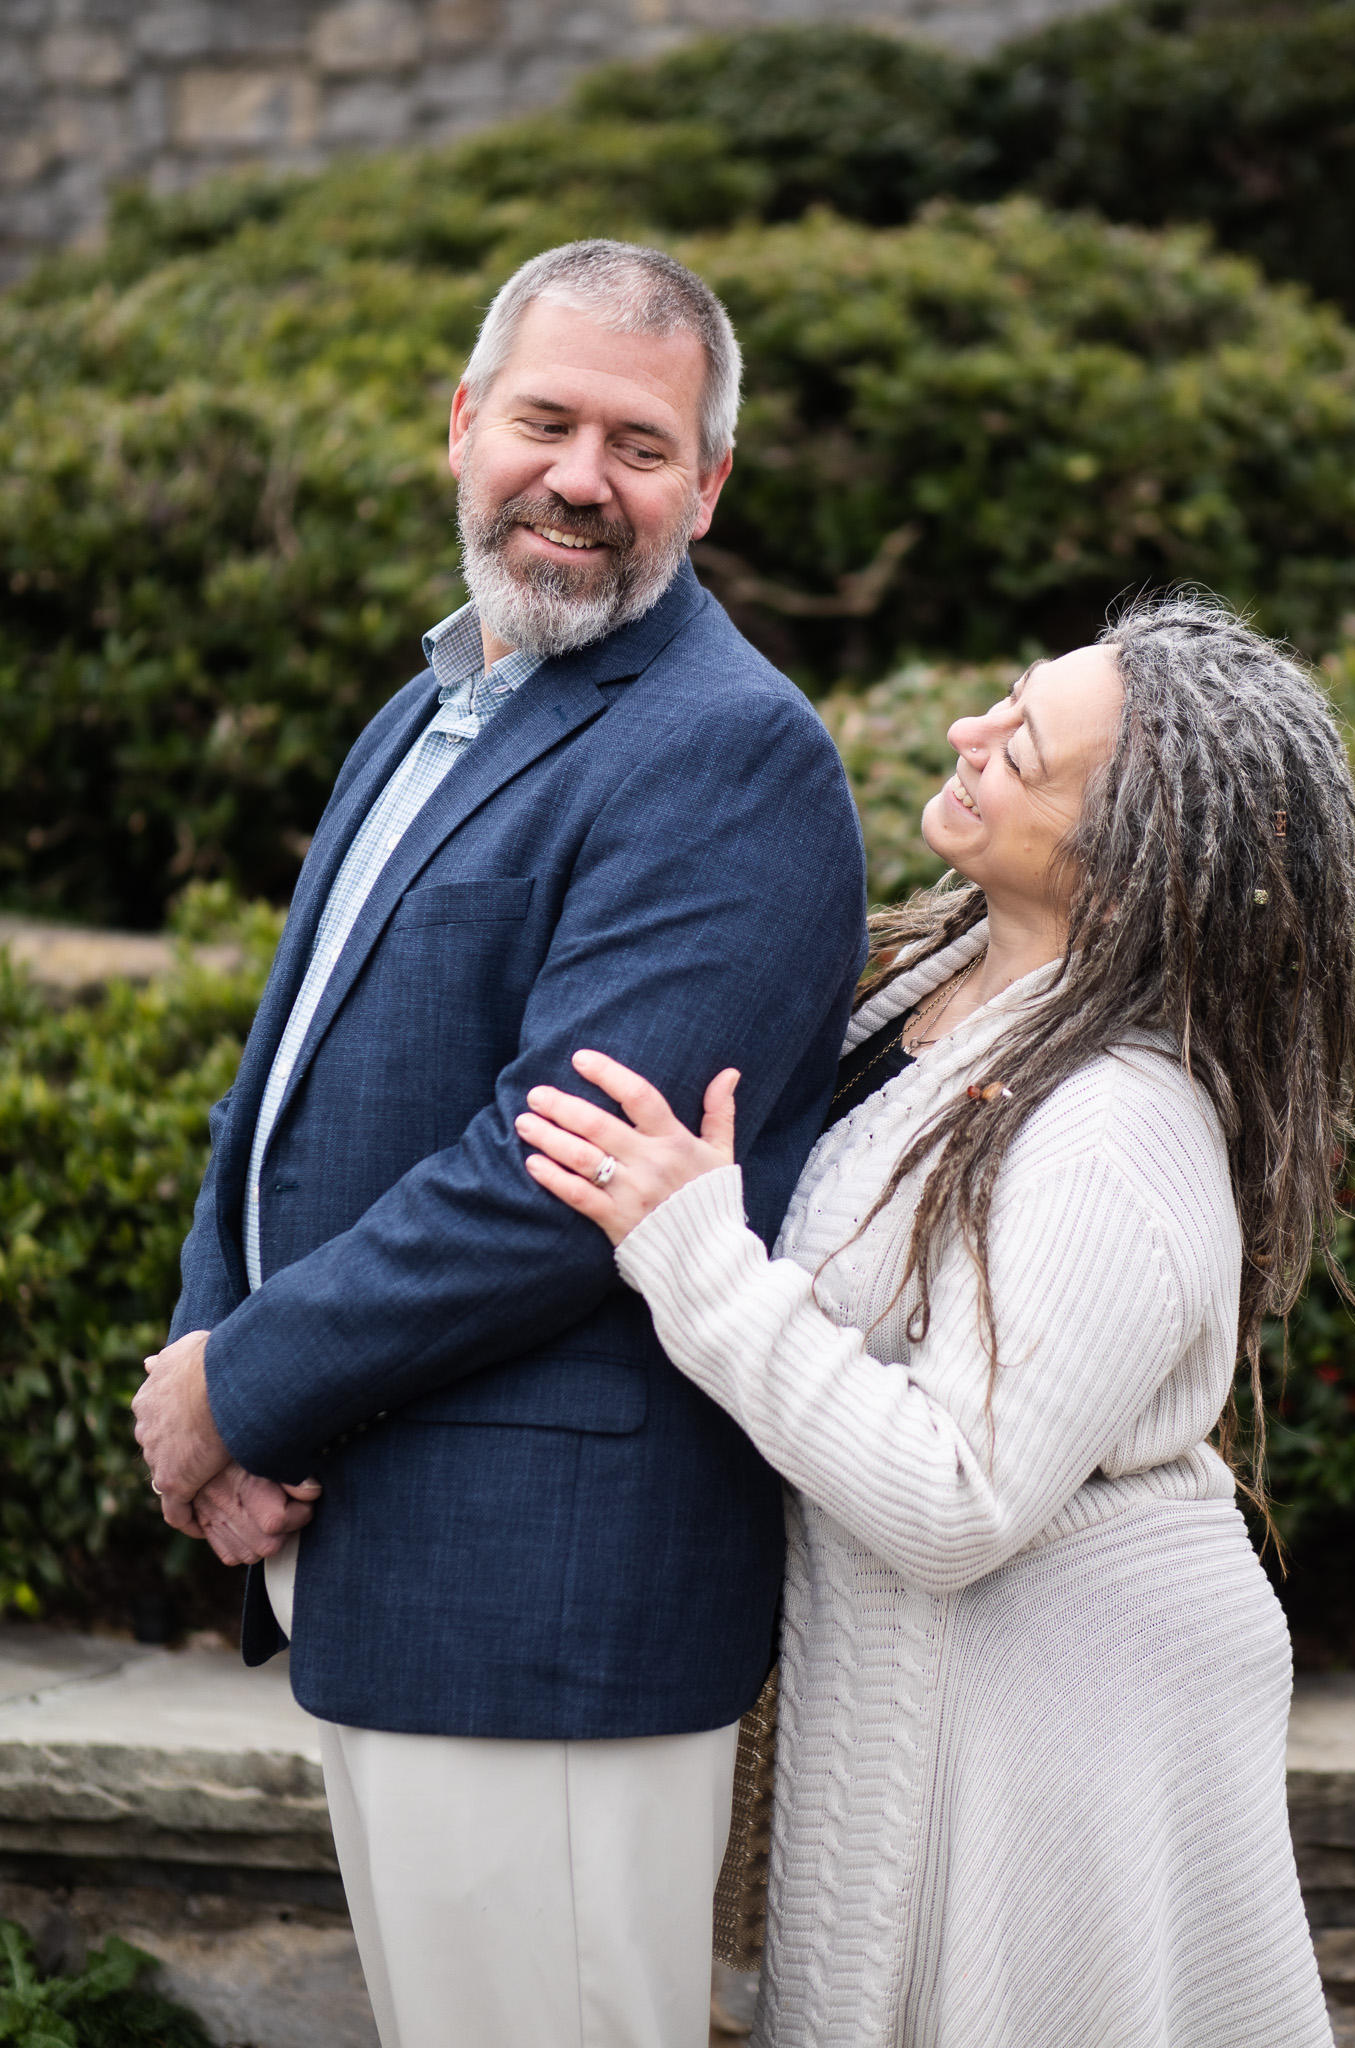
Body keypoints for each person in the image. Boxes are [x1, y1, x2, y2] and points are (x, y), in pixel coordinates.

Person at [129, 238, 869, 2048]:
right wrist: (215, 1359)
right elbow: (281, 1081)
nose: (579, 477)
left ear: (707, 485)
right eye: (545, 421)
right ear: (464, 422)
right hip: (394, 1553)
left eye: (639, 444)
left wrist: (246, 1385)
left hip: (549, 1596)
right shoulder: (435, 702)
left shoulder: (730, 753)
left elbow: (555, 1177)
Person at [515, 594, 1355, 2048]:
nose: (972, 734)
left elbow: (956, 1496)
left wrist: (695, 1256)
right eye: (1009, 700)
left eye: (1022, 753)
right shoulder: (935, 977)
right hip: (970, 1701)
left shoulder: (1118, 1127)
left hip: (1056, 1746)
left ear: (1130, 865)